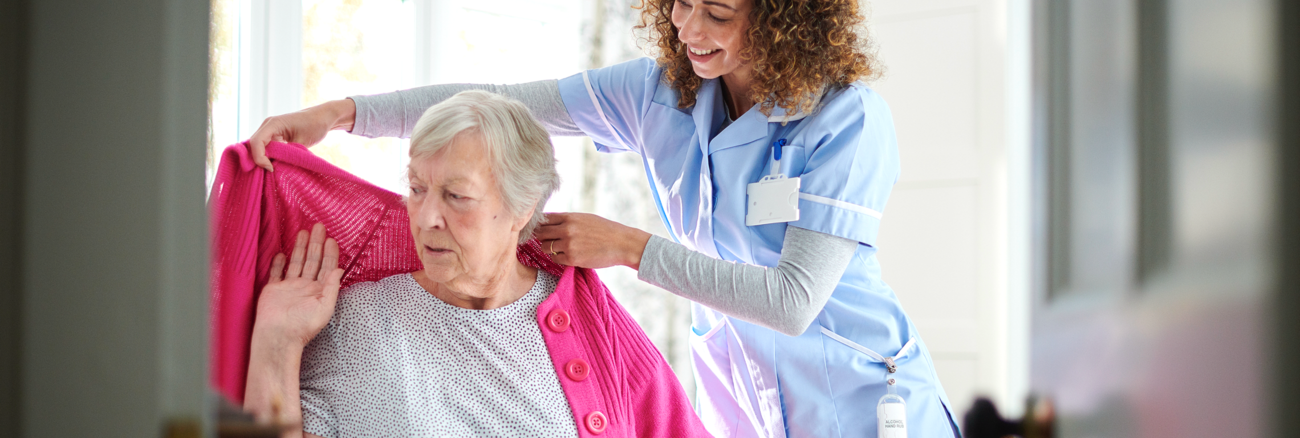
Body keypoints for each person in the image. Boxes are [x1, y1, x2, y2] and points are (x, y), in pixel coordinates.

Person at [247, 0, 961, 436]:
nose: (688, 27)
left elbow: (793, 302)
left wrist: (626, 247)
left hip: (858, 392)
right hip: (738, 388)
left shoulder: (846, 120)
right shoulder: (660, 92)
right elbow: (497, 102)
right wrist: (343, 113)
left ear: (782, 18)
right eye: (680, 3)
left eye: (718, 12)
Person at [240, 91, 710, 438]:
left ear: (522, 207)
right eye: (417, 187)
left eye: (456, 196)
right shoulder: (357, 319)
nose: (425, 219)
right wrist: (276, 343)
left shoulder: (590, 323)